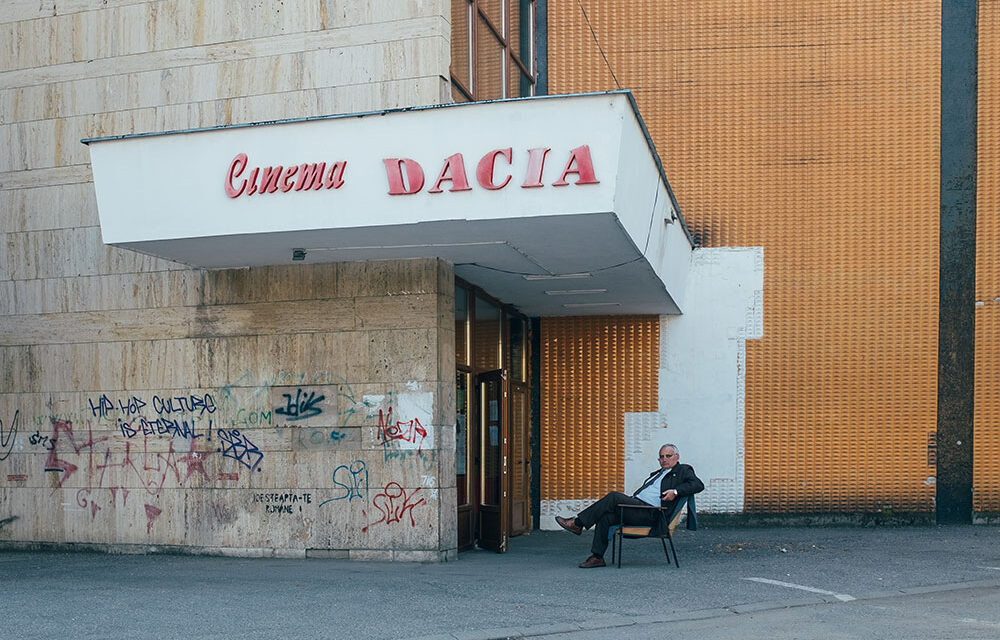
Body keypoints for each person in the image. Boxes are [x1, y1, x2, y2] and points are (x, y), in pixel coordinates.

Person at [555, 443, 704, 568]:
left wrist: (676, 492)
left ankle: (577, 523)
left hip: (652, 513)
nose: (664, 459)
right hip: (638, 508)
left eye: (668, 456)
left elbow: (698, 485)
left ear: (677, 457)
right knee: (606, 517)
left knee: (614, 496)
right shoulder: (657, 474)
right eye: (661, 456)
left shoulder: (683, 470)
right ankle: (597, 557)